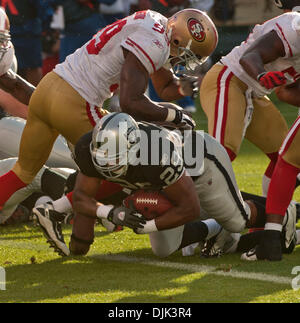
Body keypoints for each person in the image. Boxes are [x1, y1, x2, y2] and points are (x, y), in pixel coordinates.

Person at [0, 9, 218, 212]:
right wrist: (175, 115)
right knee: (125, 160)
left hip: (48, 88)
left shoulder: (155, 24)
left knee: (23, 172)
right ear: (178, 40)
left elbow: (163, 86)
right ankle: (65, 212)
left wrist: (181, 87)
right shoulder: (155, 43)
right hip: (76, 102)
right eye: (188, 55)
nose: (183, 61)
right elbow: (131, 102)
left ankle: (72, 210)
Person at [33, 112, 296, 257]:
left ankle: (284, 214)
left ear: (133, 148)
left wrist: (147, 225)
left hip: (200, 165)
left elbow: (190, 207)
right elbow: (81, 198)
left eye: (116, 161)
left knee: (237, 220)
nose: (109, 169)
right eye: (104, 162)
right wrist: (110, 213)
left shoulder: (156, 154)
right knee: (164, 249)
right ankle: (216, 229)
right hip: (161, 180)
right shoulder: (89, 150)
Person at [199, 3, 300, 201]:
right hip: (230, 79)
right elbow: (250, 57)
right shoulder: (292, 26)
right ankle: (174, 197)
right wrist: (262, 75)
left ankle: (269, 219)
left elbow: (284, 92)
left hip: (254, 93)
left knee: (285, 157)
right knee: (221, 154)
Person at [1, 0, 54, 86]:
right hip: (14, 34)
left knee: (32, 70)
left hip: (25, 34)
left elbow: (44, 10)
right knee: (6, 73)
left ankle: (35, 97)